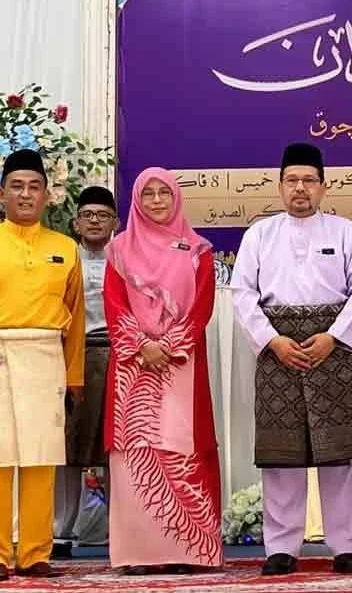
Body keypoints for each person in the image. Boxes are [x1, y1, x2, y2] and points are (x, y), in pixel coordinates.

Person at [231, 143, 352, 576]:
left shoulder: (346, 231)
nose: (300, 189)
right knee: (282, 454)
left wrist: (334, 337)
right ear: (279, 186)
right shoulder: (259, 234)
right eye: (291, 180)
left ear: (323, 186)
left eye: (308, 180)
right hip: (279, 351)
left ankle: (346, 545)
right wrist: (272, 341)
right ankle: (281, 547)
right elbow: (242, 293)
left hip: (333, 349)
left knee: (340, 452)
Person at [103, 168, 222, 575]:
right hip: (133, 367)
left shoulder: (197, 249)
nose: (156, 200)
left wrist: (168, 345)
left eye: (163, 193)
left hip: (181, 364)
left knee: (182, 447)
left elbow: (202, 305)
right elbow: (114, 303)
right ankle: (138, 553)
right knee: (138, 454)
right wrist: (142, 344)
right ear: (136, 201)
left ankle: (190, 550)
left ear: (176, 198)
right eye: (148, 194)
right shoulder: (118, 250)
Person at [0, 149, 85, 580]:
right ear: (2, 195)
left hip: (45, 357)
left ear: (48, 195)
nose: (26, 194)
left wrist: (74, 379)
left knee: (39, 459)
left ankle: (35, 553)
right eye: (17, 186)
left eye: (35, 187)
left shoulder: (65, 248)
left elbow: (76, 319)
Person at [53, 186, 118, 559]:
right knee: (69, 447)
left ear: (116, 223)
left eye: (103, 215)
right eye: (88, 215)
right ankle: (62, 529)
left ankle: (118, 530)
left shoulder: (125, 259)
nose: (95, 221)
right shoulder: (63, 257)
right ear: (76, 222)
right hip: (74, 356)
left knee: (116, 448)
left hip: (118, 355)